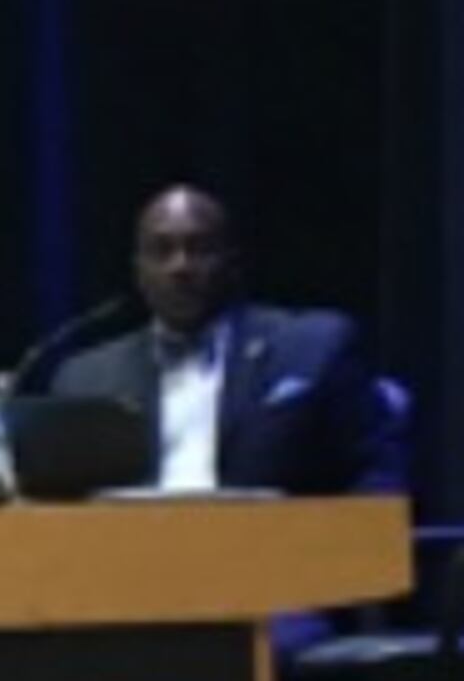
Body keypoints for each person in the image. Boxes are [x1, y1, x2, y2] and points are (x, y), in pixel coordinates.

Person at [36, 187, 397, 496]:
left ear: (232, 262)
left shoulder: (310, 348)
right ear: (139, 271)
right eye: (161, 251)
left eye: (199, 249)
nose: (180, 266)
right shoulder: (86, 377)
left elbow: (375, 475)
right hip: (135, 564)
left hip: (277, 561)